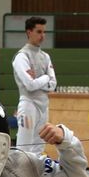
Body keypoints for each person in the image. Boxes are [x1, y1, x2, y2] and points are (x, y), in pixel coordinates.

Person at [13, 16, 56, 153]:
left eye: (44, 32)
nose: (42, 36)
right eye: (39, 32)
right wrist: (45, 77)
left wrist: (38, 80)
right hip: (28, 106)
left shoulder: (45, 57)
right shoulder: (21, 57)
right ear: (29, 32)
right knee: (24, 147)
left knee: (39, 147)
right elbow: (30, 85)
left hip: (44, 106)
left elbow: (53, 84)